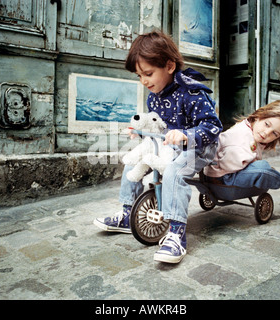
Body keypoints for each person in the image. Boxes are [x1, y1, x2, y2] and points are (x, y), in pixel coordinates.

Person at [93, 31, 223, 264]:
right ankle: (126, 213)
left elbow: (213, 127)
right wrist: (141, 131)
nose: (144, 81)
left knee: (174, 171)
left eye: (148, 74)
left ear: (170, 66)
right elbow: (157, 125)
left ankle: (176, 233)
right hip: (169, 146)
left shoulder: (193, 93)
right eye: (139, 76)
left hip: (199, 147)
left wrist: (185, 135)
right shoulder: (153, 97)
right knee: (134, 159)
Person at [204, 100, 280, 190]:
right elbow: (230, 163)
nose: (266, 133)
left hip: (219, 171)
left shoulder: (247, 127)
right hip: (224, 176)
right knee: (263, 169)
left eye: (274, 133)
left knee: (261, 167)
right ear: (259, 116)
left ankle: (272, 175)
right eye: (267, 124)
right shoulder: (242, 137)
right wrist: (254, 164)